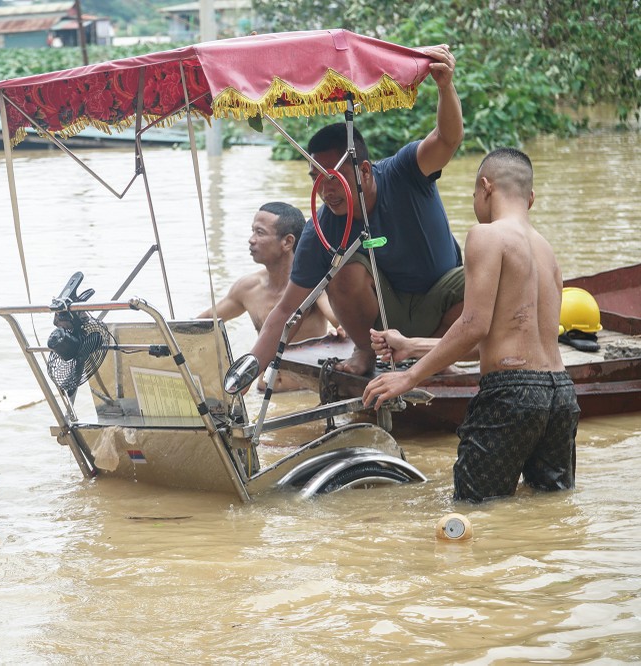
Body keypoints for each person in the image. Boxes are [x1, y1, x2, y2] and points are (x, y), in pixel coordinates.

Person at [363, 148, 578, 502]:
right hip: (560, 393)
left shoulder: (486, 235)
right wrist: (412, 344)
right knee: (549, 508)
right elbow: (501, 340)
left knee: (473, 510)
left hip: (511, 394)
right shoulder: (546, 251)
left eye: (474, 194)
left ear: (485, 187)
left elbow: (474, 325)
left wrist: (409, 376)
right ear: (532, 198)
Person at [248, 45, 465, 378]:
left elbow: (448, 138)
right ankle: (366, 351)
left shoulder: (405, 171)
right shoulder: (321, 227)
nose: (325, 190)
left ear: (365, 170)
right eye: (317, 180)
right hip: (382, 321)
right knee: (342, 272)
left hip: (442, 300)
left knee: (485, 275)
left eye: (334, 178)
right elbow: (285, 311)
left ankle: (434, 354)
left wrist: (445, 86)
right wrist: (245, 376)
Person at [198, 202, 341, 391]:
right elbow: (204, 323)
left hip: (304, 395)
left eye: (260, 232)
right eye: (252, 231)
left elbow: (341, 321)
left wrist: (339, 332)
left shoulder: (314, 287)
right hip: (263, 392)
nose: (251, 240)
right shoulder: (247, 288)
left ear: (287, 242)